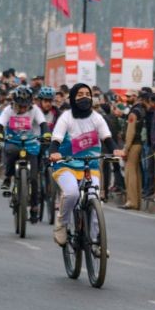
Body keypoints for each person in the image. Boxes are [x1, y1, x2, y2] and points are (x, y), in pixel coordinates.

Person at [48, 83, 123, 247]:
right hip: (66, 165)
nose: (85, 97)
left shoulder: (97, 117)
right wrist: (54, 152)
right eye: (80, 94)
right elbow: (56, 139)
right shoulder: (66, 117)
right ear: (72, 98)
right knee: (72, 194)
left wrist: (115, 150)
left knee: (94, 198)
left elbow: (107, 138)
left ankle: (95, 242)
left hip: (90, 166)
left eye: (87, 94)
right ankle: (62, 224)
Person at [0, 86, 48, 222]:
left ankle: (34, 206)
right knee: (9, 152)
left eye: (25, 106)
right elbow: (0, 124)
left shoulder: (35, 110)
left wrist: (46, 134)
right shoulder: (8, 110)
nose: (23, 109)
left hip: (31, 144)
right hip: (14, 142)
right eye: (20, 106)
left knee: (34, 178)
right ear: (14, 103)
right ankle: (8, 177)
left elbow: (43, 124)